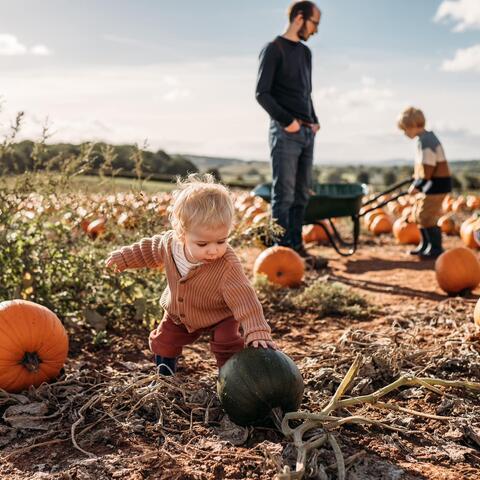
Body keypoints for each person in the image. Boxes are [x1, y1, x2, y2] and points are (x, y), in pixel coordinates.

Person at [105, 174, 276, 375]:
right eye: (203, 244)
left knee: (227, 343)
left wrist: (256, 329)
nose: (213, 250)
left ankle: (230, 378)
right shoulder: (169, 245)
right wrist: (124, 258)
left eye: (221, 241)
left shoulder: (227, 264)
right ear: (182, 235)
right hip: (179, 313)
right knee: (164, 340)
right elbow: (147, 251)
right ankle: (165, 375)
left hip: (221, 314)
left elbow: (244, 298)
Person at [256, 1, 325, 268]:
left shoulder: (306, 53)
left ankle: (296, 250)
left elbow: (306, 93)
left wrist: (314, 121)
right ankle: (280, 254)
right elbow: (262, 94)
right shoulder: (273, 49)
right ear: (299, 18)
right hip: (285, 132)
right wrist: (289, 123)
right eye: (314, 23)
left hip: (307, 132)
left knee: (301, 195)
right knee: (283, 195)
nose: (316, 30)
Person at [397, 106, 452, 258]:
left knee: (426, 216)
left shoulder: (427, 141)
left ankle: (436, 248)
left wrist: (418, 184)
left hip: (437, 185)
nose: (404, 133)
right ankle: (425, 245)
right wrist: (416, 179)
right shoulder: (425, 139)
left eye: (405, 129)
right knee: (419, 214)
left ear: (413, 126)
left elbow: (428, 167)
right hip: (431, 184)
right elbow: (423, 168)